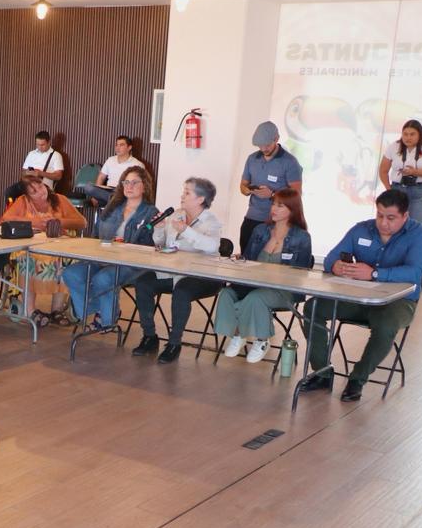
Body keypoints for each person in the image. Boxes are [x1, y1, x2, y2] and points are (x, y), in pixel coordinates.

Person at [300, 188, 422, 402]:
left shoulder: (421, 236)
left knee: (386, 325)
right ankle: (322, 372)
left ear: (405, 216)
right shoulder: (361, 229)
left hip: (398, 302)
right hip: (357, 297)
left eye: (391, 218)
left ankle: (357, 379)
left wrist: (374, 273)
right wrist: (336, 266)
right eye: (379, 215)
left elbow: (414, 273)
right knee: (313, 307)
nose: (383, 223)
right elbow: (331, 257)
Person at [130, 177, 224, 363]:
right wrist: (159, 229)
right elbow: (162, 244)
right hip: (173, 270)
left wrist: (186, 230)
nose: (182, 196)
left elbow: (211, 246)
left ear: (200, 199)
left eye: (187, 193)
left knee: (182, 291)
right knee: (143, 282)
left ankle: (174, 343)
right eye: (183, 191)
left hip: (201, 275)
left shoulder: (211, 221)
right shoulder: (176, 215)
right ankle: (149, 336)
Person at [216, 188, 314, 362]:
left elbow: (301, 273)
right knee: (226, 294)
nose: (273, 209)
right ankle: (238, 334)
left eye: (280, 206)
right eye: (273, 204)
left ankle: (262, 340)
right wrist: (240, 260)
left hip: (283, 289)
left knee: (255, 298)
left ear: (292, 209)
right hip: (254, 283)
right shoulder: (260, 230)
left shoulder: (302, 237)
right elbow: (248, 259)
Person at [62, 166, 158, 329]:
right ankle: (96, 308)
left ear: (145, 186)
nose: (129, 186)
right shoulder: (113, 206)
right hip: (103, 257)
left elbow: (150, 246)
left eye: (135, 182)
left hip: (132, 263)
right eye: (126, 182)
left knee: (103, 279)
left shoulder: (150, 212)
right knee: (71, 273)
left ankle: (107, 320)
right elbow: (96, 235)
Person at [0, 174, 85, 319]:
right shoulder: (23, 201)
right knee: (28, 259)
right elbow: (5, 219)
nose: (40, 192)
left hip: (59, 246)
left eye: (40, 186)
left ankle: (57, 310)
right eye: (34, 192)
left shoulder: (60, 199)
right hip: (31, 247)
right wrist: (35, 222)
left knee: (65, 260)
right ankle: (30, 311)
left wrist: (59, 221)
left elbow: (82, 222)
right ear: (28, 196)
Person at [238, 121, 303, 256]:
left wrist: (272, 194)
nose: (263, 149)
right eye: (260, 146)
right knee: (245, 258)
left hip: (276, 222)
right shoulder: (252, 159)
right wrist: (249, 190)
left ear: (276, 139)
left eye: (267, 145)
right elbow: (242, 186)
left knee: (268, 260)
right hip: (252, 218)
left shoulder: (290, 162)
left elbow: (296, 194)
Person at [378, 118, 422, 232]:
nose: (408, 137)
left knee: (418, 228)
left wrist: (415, 172)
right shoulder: (394, 146)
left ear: (420, 134)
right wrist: (389, 189)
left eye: (412, 134)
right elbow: (383, 170)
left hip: (420, 191)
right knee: (393, 227)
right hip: (397, 189)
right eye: (405, 134)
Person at [75, 135, 144, 208]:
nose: (118, 148)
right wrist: (95, 196)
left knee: (107, 200)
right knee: (88, 187)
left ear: (129, 147)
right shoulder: (110, 160)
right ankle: (116, 201)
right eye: (116, 145)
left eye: (121, 145)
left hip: (122, 192)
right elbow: (101, 177)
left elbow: (140, 185)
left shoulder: (137, 164)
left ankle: (115, 201)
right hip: (108, 190)